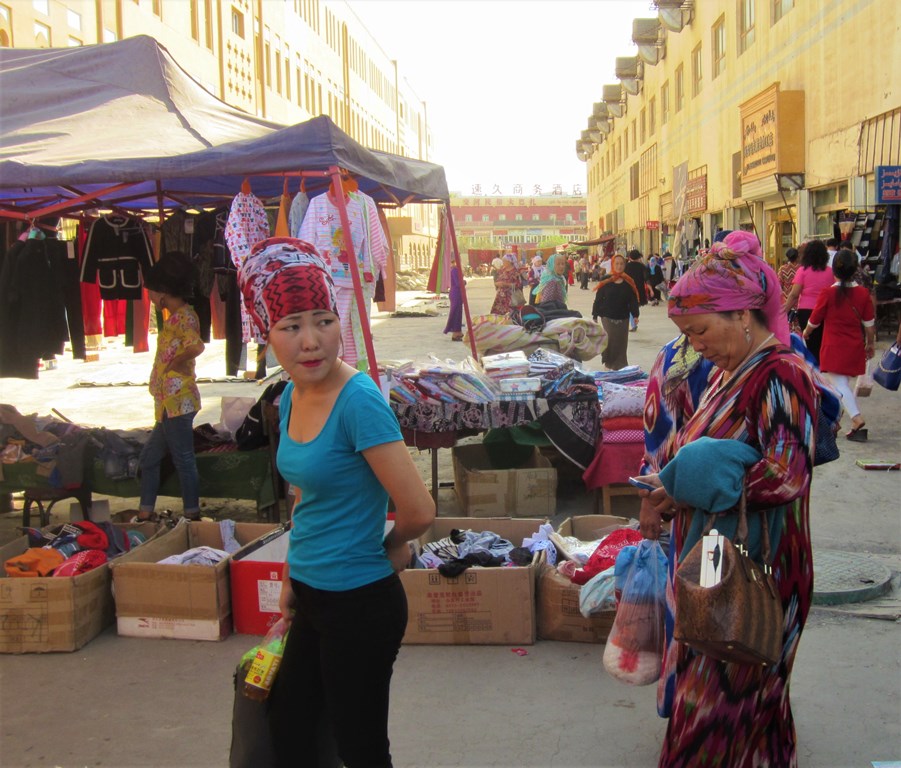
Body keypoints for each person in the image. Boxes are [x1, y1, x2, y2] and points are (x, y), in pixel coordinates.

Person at [237, 237, 436, 768]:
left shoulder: (359, 400)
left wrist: (392, 550)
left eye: (323, 320)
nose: (311, 342)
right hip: (311, 592)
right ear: (266, 333)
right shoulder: (290, 394)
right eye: (291, 326)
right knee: (291, 723)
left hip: (360, 604)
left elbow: (419, 510)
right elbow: (306, 501)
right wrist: (289, 579)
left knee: (360, 746)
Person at [639, 230, 816, 767]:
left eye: (700, 330)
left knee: (715, 712)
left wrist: (683, 483)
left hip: (757, 568)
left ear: (743, 315)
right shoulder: (727, 374)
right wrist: (672, 487)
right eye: (687, 335)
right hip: (719, 560)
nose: (695, 345)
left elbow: (786, 475)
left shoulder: (781, 374)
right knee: (747, 709)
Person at [137, 251, 205, 522]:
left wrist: (176, 362)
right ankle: (145, 512)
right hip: (168, 402)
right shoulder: (175, 317)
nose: (151, 297)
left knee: (183, 459)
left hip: (179, 401)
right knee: (149, 458)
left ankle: (192, 513)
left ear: (164, 292)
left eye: (153, 292)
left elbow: (196, 346)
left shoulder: (185, 317)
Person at [803, 249, 876, 441]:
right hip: (854, 345)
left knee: (839, 384)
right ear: (855, 271)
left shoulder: (828, 293)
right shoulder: (863, 294)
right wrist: (870, 344)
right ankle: (847, 420)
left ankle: (856, 418)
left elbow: (815, 320)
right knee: (842, 383)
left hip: (833, 345)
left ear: (834, 269)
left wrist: (806, 332)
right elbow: (869, 325)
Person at [783, 238, 833, 363]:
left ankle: (813, 368)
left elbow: (794, 294)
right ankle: (822, 367)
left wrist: (783, 311)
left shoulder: (803, 271)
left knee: (810, 343)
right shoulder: (830, 272)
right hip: (825, 311)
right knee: (822, 342)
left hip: (806, 311)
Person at [592, 253, 640, 370]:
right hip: (607, 316)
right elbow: (599, 298)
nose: (619, 266)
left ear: (624, 265)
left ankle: (620, 366)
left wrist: (635, 314)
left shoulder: (628, 281)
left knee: (621, 343)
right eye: (617, 264)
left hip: (623, 316)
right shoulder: (606, 280)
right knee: (610, 341)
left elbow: (632, 300)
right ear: (613, 264)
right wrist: (595, 314)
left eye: (621, 264)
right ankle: (608, 364)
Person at [624, 249, 649, 331]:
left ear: (630, 257)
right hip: (639, 290)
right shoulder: (642, 266)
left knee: (629, 307)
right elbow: (646, 278)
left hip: (628, 289)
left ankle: (632, 324)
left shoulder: (626, 266)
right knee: (635, 307)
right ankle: (634, 323)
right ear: (638, 257)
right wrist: (650, 289)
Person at [778, 246, 801, 334]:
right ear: (797, 256)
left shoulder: (783, 269)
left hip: (787, 301)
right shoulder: (802, 269)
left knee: (788, 327)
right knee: (799, 328)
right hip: (799, 301)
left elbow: (778, 285)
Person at [443, 265, 465, 342]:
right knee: (455, 314)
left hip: (458, 294)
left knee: (458, 314)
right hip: (456, 293)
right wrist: (464, 282)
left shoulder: (455, 270)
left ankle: (458, 332)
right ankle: (455, 334)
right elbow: (458, 283)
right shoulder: (455, 270)